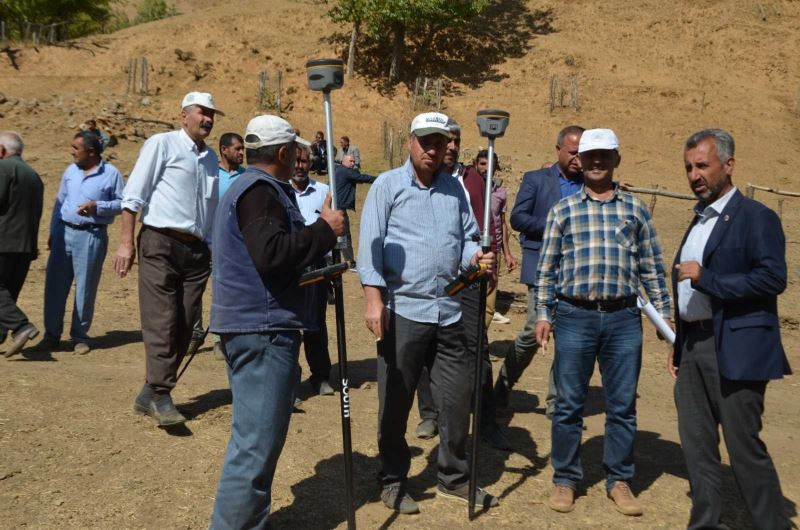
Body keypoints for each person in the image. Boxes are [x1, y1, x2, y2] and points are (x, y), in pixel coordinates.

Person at [358, 111, 498, 514]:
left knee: (456, 400)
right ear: (411, 142)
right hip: (404, 312)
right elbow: (370, 247)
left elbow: (469, 237)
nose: (434, 149)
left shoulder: (455, 191)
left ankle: (453, 479)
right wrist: (373, 300)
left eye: (440, 142)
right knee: (396, 403)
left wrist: (477, 256)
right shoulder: (387, 186)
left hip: (450, 310)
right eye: (426, 141)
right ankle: (392, 479)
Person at [209, 115, 344, 528]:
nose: (301, 158)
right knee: (254, 451)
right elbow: (272, 254)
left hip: (255, 326)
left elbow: (268, 261)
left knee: (253, 445)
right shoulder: (261, 192)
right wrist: (325, 229)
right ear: (284, 153)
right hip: (262, 331)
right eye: (296, 152)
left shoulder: (246, 188)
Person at [534, 128, 672, 515]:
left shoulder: (635, 209)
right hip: (574, 317)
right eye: (590, 155)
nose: (596, 162)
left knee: (622, 405)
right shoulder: (563, 210)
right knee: (568, 405)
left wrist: (665, 318)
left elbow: (651, 266)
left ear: (616, 160)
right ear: (580, 159)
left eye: (604, 155)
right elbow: (547, 269)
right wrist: (544, 314)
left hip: (624, 319)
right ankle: (565, 479)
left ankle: (620, 479)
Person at [672, 128, 791, 530]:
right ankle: (705, 523)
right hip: (692, 348)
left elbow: (772, 278)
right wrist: (680, 337)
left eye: (702, 165)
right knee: (698, 446)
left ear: (729, 165)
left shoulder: (757, 217)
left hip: (735, 349)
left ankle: (771, 524)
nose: (694, 175)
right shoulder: (697, 221)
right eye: (689, 167)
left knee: (743, 449)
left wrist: (707, 279)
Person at [115, 91, 222, 426]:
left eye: (211, 114)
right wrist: (125, 244)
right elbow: (133, 196)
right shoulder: (161, 144)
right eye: (201, 112)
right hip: (160, 242)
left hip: (196, 251)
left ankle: (150, 391)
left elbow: (211, 209)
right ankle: (161, 395)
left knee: (186, 325)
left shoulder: (211, 158)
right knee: (161, 321)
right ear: (183, 115)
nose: (207, 119)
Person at [495, 126, 585, 415]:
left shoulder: (590, 183)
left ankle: (557, 403)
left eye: (582, 153)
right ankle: (502, 387)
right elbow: (519, 218)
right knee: (535, 328)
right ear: (558, 149)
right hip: (541, 267)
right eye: (573, 152)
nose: (578, 158)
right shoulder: (535, 179)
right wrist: (554, 225)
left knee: (569, 337)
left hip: (576, 271)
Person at [40, 131, 123, 354]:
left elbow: (122, 204)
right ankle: (51, 336)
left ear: (92, 152)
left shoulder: (111, 174)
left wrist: (99, 207)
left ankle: (79, 336)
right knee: (54, 285)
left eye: (76, 148)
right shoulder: (70, 170)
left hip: (91, 235)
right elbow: (60, 202)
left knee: (85, 287)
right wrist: (53, 230)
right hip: (63, 233)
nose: (72, 151)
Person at [188, 131, 245, 359]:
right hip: (204, 242)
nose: (242, 153)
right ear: (224, 149)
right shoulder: (210, 173)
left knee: (224, 291)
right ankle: (194, 334)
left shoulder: (246, 176)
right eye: (237, 149)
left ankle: (220, 338)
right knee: (194, 290)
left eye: (243, 149)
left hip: (232, 246)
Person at [291, 143, 335, 396]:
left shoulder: (322, 191)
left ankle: (320, 376)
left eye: (304, 161)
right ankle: (289, 380)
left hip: (317, 265)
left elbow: (333, 227)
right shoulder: (281, 190)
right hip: (290, 264)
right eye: (296, 161)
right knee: (288, 324)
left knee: (315, 323)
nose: (299, 166)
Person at [0, 131, 43, 358]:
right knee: (7, 292)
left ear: (1, 151)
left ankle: (21, 327)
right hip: (25, 246)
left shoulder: (3, 169)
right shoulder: (34, 175)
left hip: (3, 241)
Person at [334, 152, 376, 264]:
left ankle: (341, 259)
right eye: (351, 161)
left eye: (354, 161)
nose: (353, 163)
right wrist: (380, 178)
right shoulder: (345, 172)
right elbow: (362, 178)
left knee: (341, 235)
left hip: (338, 207)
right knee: (344, 235)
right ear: (343, 161)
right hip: (339, 209)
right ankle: (349, 261)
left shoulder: (340, 170)